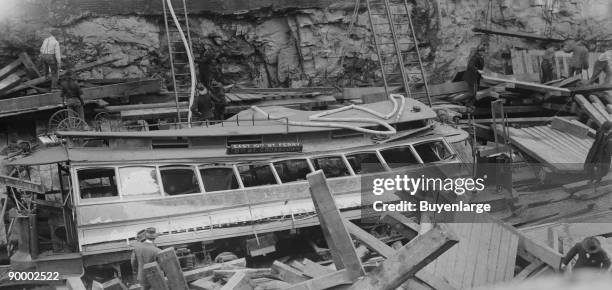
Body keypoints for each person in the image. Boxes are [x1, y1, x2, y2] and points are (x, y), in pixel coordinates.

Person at [584, 121, 612, 187]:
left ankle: (598, 180)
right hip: (595, 151)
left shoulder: (610, 137)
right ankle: (592, 178)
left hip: (604, 154)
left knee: (601, 167)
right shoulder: (599, 131)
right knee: (589, 165)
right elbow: (596, 141)